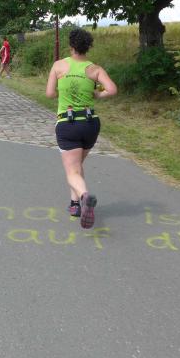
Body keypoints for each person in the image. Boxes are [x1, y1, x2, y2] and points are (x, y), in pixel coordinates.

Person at [46, 28, 117, 229]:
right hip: (90, 123)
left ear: (71, 45)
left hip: (68, 123)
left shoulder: (59, 66)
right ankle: (75, 204)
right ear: (88, 47)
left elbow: (49, 94)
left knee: (72, 171)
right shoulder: (95, 69)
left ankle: (84, 197)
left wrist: (62, 91)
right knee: (77, 167)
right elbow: (112, 89)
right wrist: (98, 94)